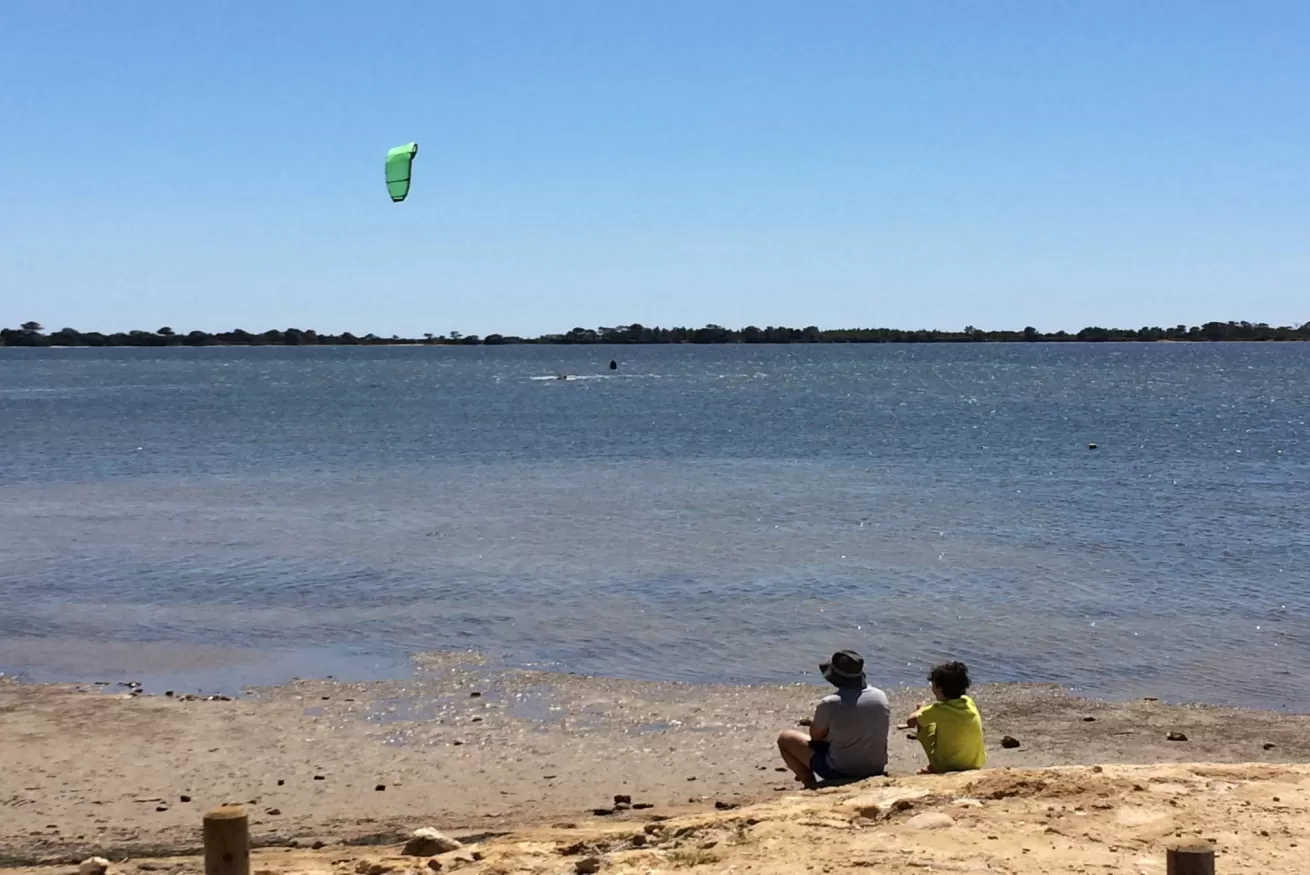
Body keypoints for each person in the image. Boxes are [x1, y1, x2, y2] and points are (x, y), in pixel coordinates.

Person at [777, 650, 890, 789]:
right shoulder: (880, 696)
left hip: (840, 771)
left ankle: (810, 785)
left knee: (785, 738)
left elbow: (815, 737)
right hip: (875, 768)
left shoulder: (830, 703)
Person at [906, 660, 986, 774]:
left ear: (939, 688)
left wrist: (920, 709)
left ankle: (934, 767)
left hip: (946, 765)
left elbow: (911, 721)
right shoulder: (969, 702)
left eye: (933, 686)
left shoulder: (938, 709)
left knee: (924, 725)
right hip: (974, 763)